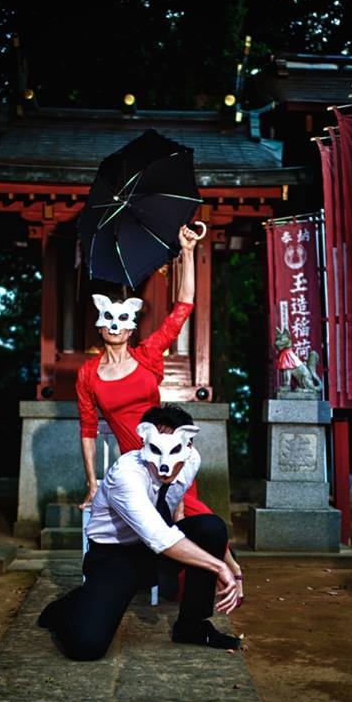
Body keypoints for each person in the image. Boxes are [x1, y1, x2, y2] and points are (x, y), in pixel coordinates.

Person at [75, 223, 245, 603]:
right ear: (100, 326)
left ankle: (225, 572)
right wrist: (91, 483)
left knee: (191, 510)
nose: (115, 326)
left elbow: (183, 307)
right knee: (171, 517)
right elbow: (87, 428)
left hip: (170, 451)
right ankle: (224, 570)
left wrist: (188, 251)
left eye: (123, 321)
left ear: (131, 328)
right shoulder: (88, 373)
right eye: (109, 320)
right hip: (135, 464)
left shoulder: (148, 356)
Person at [38, 405, 241, 660]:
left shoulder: (192, 460)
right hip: (114, 558)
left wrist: (229, 565)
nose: (165, 465)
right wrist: (218, 566)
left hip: (155, 554)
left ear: (188, 446)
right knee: (86, 647)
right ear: (144, 441)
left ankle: (192, 626)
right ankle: (69, 607)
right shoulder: (126, 475)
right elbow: (159, 536)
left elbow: (173, 509)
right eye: (156, 449)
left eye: (175, 450)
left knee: (211, 528)